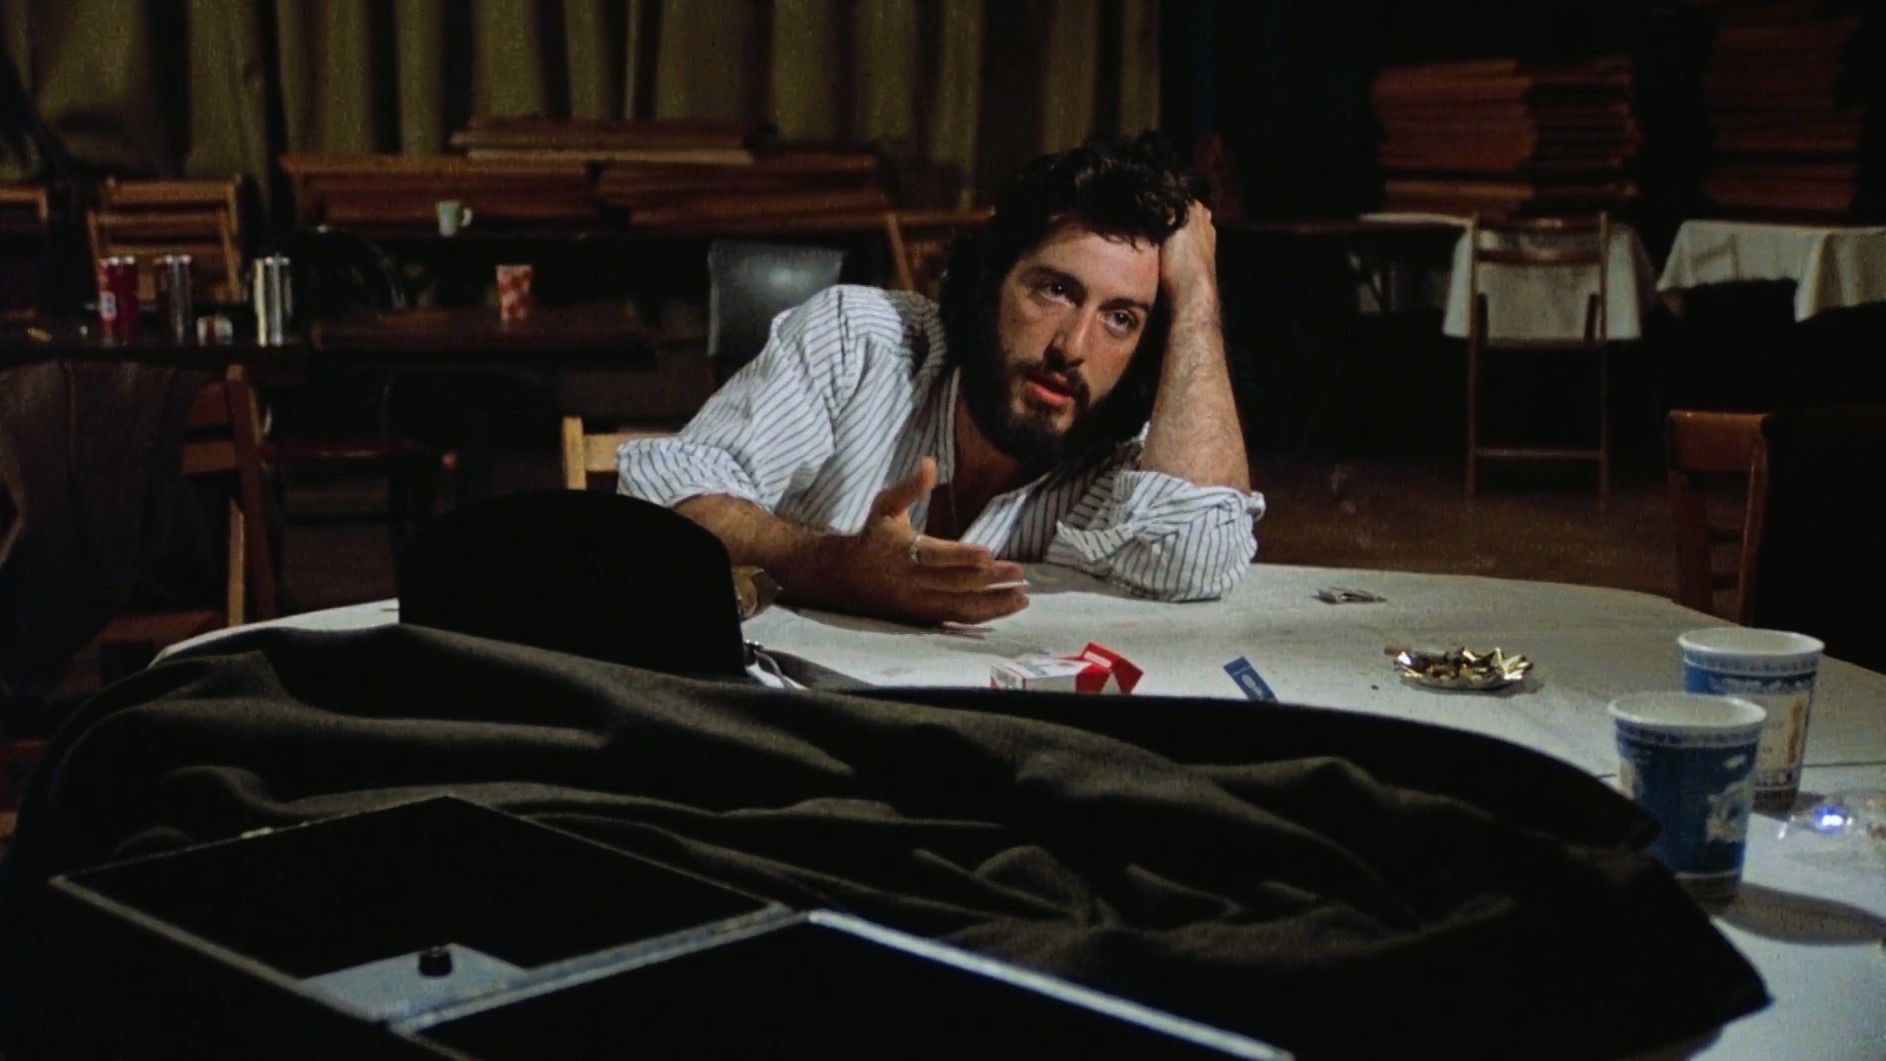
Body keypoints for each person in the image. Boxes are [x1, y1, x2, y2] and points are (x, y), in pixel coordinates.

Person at [621, 134, 1264, 625]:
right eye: (1055, 291)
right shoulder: (860, 339)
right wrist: (835, 567)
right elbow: (661, 505)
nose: (1072, 347)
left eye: (1121, 319)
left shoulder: (1127, 452)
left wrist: (1197, 294)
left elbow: (1197, 555)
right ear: (990, 282)